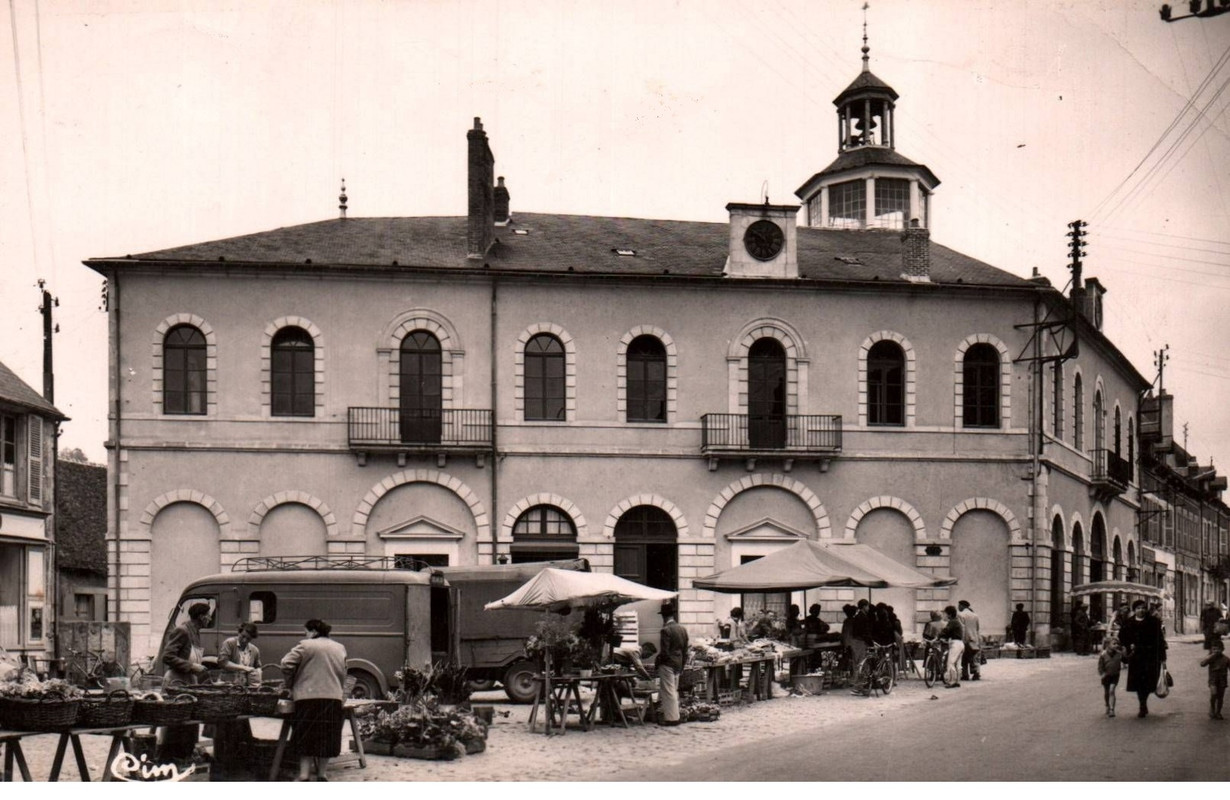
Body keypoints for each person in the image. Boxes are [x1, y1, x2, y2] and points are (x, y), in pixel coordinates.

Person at [281, 619, 348, 781]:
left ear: (313, 631)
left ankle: (304, 775)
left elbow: (285, 664)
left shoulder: (306, 645)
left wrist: (290, 684)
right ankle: (322, 775)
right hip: (333, 697)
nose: (306, 635)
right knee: (327, 736)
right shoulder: (340, 647)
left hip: (307, 697)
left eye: (306, 631)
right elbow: (344, 672)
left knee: (306, 735)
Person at [158, 602, 211, 765]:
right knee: (174, 723)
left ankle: (185, 757)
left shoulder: (196, 632)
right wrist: (191, 666)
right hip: (176, 681)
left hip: (189, 681)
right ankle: (167, 760)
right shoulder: (182, 631)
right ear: (201, 617)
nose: (210, 618)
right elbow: (167, 656)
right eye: (208, 615)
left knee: (189, 723)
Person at [1118, 599, 1167, 718]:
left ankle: (1144, 701)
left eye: (1143, 608)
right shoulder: (1128, 622)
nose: (1141, 610)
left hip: (1150, 656)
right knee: (1139, 682)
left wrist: (1163, 657)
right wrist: (1128, 646)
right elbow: (1122, 637)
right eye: (1138, 608)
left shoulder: (1153, 622)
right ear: (1134, 610)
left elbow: (1159, 639)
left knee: (1149, 682)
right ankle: (1142, 705)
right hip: (1136, 657)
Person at [656, 602, 689, 727]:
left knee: (668, 691)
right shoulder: (682, 629)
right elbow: (685, 650)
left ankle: (672, 718)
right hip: (678, 662)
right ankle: (674, 715)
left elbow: (664, 651)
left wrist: (659, 662)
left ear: (663, 617)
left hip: (668, 663)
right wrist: (682, 665)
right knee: (674, 690)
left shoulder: (665, 630)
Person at [218, 622, 262, 688]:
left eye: (248, 639)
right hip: (228, 684)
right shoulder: (229, 643)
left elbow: (258, 666)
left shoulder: (254, 650)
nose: (244, 640)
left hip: (245, 686)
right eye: (243, 636)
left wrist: (258, 673)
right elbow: (223, 662)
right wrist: (244, 668)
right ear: (239, 632)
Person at [1200, 638, 1229, 720]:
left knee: (1220, 697)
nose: (1216, 651)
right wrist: (1210, 657)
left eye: (1218, 649)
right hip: (1213, 680)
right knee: (1213, 694)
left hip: (1222, 680)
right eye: (1214, 649)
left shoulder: (1226, 659)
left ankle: (1218, 712)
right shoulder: (1210, 658)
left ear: (1222, 649)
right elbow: (1202, 664)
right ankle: (1212, 708)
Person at [938, 605, 965, 689]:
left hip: (955, 644)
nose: (945, 616)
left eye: (945, 614)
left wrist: (939, 636)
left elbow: (946, 631)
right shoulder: (957, 621)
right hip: (960, 643)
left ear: (949, 614)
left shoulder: (952, 622)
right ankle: (957, 681)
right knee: (957, 664)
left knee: (950, 663)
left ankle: (952, 682)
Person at [1097, 636, 1124, 718]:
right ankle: (1107, 705)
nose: (1116, 645)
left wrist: (1127, 652)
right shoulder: (1103, 654)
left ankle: (1112, 709)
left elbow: (1126, 659)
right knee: (1106, 692)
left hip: (1115, 675)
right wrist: (1102, 673)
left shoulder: (1119, 654)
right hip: (1106, 675)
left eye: (1117, 644)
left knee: (1112, 690)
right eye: (1114, 644)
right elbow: (1100, 666)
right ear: (1108, 645)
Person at [957, 600, 982, 681]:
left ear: (962, 606)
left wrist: (961, 640)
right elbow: (977, 628)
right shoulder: (975, 615)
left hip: (966, 639)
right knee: (974, 657)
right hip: (974, 638)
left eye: (959, 605)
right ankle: (976, 673)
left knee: (964, 658)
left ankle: (965, 675)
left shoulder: (960, 615)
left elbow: (962, 628)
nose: (958, 607)